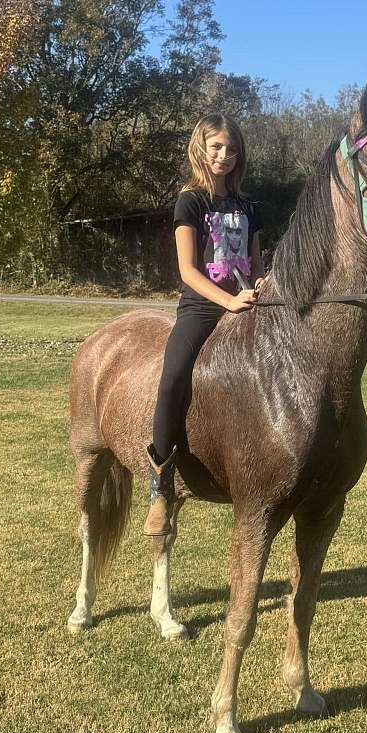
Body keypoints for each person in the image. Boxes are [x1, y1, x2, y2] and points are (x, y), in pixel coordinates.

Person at [143, 114, 265, 537]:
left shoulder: (249, 206)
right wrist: (227, 300)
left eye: (231, 149)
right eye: (216, 147)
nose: (224, 155)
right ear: (201, 148)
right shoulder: (190, 202)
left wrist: (260, 285)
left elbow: (255, 262)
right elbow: (187, 271)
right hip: (202, 308)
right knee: (173, 377)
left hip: (245, 303)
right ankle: (160, 487)